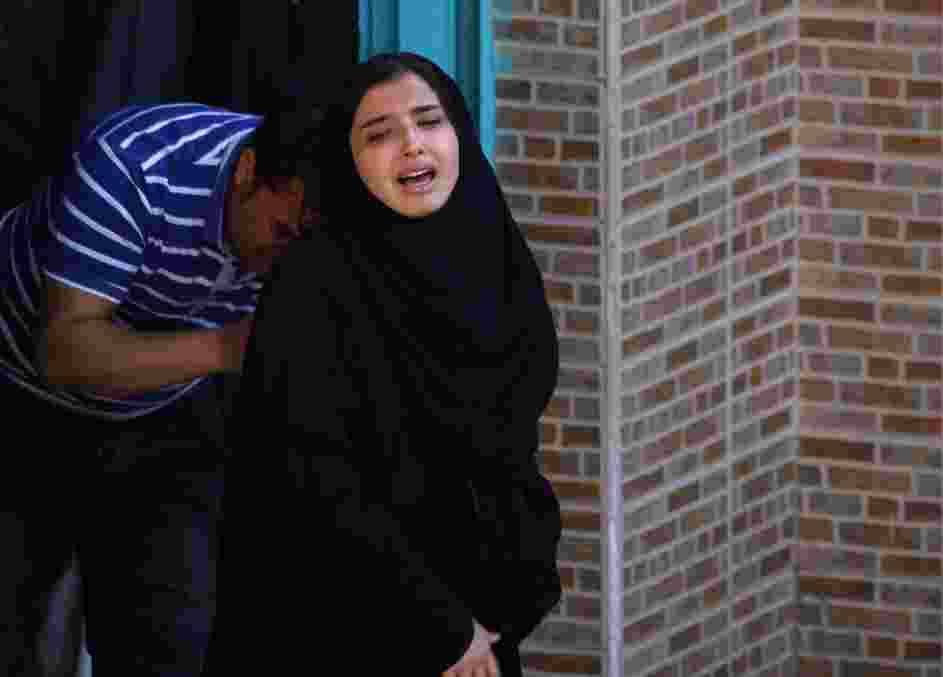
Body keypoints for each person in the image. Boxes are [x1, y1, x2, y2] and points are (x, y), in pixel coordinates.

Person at [203, 53, 563, 677]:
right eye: (379, 134)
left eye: (429, 121)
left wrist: (507, 605)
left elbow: (510, 449)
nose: (411, 146)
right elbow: (318, 485)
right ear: (349, 161)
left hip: (478, 624)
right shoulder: (316, 283)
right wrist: (445, 629)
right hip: (341, 625)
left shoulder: (492, 255)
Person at [0, 101, 319, 676]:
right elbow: (65, 353)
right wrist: (233, 348)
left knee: (175, 637)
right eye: (282, 233)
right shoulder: (138, 165)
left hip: (166, 408)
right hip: (21, 386)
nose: (285, 264)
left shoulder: (327, 227)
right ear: (246, 173)